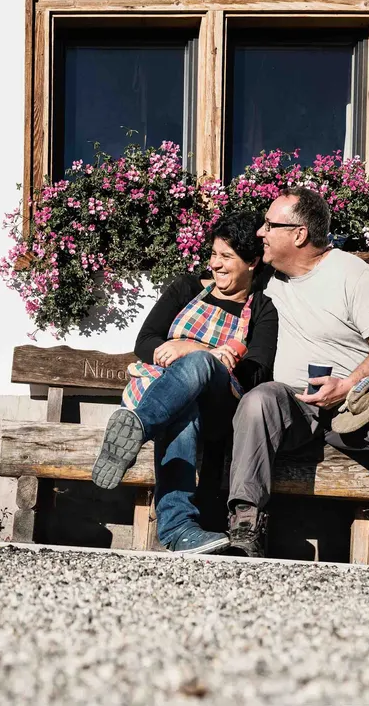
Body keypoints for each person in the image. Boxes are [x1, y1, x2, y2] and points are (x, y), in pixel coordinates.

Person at [226, 185, 369, 567]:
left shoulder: (352, 274)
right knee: (258, 401)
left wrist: (348, 384)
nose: (260, 232)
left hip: (354, 405)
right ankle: (245, 528)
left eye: (270, 225)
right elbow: (218, 273)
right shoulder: (267, 276)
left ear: (298, 235)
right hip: (295, 407)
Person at [90, 212, 278, 554]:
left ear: (251, 261)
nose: (216, 265)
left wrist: (195, 351)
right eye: (213, 254)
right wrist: (185, 356)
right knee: (183, 410)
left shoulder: (262, 308)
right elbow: (145, 342)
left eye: (226, 257)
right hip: (167, 393)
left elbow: (258, 371)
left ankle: (137, 428)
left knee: (200, 364)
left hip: (220, 408)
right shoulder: (187, 288)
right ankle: (179, 530)